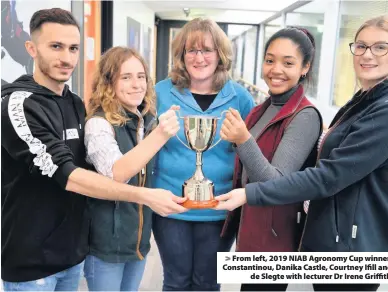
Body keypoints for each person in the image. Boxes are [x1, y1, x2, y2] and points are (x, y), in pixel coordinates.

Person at [215, 14, 388, 292]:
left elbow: (328, 177)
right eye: (360, 46)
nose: (367, 54)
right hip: (334, 243)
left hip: (354, 254)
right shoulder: (363, 101)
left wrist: (250, 192)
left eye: (380, 47)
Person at [1, 8, 186, 291]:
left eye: (73, 48)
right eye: (55, 46)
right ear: (31, 48)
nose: (66, 57)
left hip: (72, 255)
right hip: (32, 263)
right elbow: (69, 175)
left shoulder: (75, 103)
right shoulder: (18, 104)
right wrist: (144, 196)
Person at [153, 18, 255, 291]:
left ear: (220, 55)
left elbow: (251, 149)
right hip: (171, 206)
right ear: (181, 55)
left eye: (207, 50)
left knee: (207, 283)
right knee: (175, 282)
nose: (199, 58)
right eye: (191, 50)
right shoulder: (160, 92)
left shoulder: (240, 98)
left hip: (219, 208)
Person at [219, 27, 322, 292]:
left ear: (305, 68)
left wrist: (243, 140)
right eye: (270, 60)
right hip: (252, 228)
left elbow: (277, 182)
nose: (276, 69)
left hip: (275, 238)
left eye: (288, 63)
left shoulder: (305, 116)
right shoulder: (261, 109)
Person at [82, 47, 181, 291]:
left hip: (137, 243)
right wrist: (160, 135)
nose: (137, 84)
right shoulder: (98, 123)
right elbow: (117, 174)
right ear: (108, 82)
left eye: (141, 77)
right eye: (126, 77)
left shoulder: (143, 119)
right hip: (105, 246)